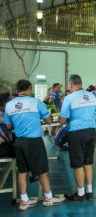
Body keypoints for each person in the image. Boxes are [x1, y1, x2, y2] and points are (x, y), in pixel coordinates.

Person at [4, 80, 64, 210]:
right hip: (34, 142)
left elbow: (8, 126)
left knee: (22, 171)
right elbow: (48, 119)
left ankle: (24, 201)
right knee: (42, 171)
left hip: (19, 142)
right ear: (29, 89)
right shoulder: (35, 102)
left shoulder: (9, 105)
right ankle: (48, 198)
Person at [59, 75, 96, 201]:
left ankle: (80, 193)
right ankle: (90, 192)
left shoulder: (69, 98)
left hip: (77, 133)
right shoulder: (92, 96)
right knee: (88, 162)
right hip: (91, 131)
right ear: (81, 83)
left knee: (78, 164)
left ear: (70, 85)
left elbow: (62, 120)